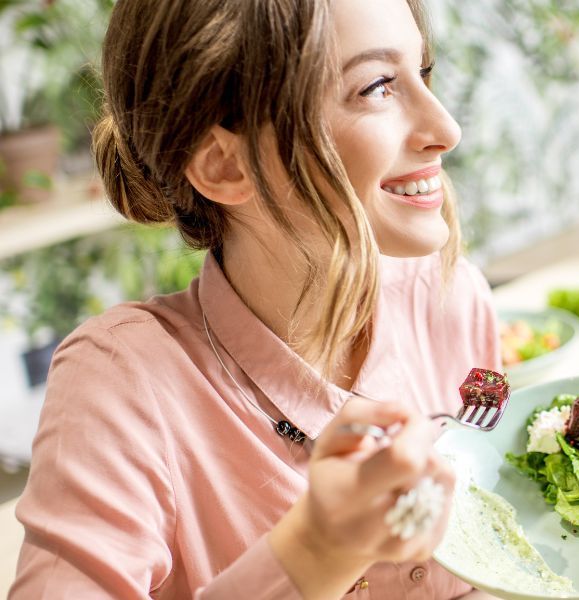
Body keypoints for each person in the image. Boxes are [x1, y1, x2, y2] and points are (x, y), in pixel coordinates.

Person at [11, 0, 499, 597]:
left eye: (421, 74)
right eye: (376, 86)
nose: (447, 129)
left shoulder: (451, 298)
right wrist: (317, 550)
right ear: (223, 164)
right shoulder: (121, 382)